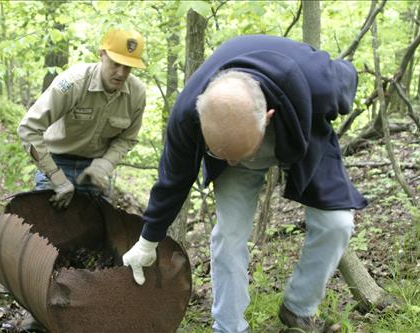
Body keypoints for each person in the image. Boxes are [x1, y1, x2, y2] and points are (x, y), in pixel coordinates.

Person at [122, 35, 368, 333]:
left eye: (241, 155)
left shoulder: (320, 81)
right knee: (228, 235)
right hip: (236, 142)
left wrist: (318, 121)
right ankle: (228, 327)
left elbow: (348, 81)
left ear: (267, 117)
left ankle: (298, 309)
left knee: (337, 223)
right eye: (221, 152)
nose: (236, 163)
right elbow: (172, 181)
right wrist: (147, 242)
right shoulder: (187, 115)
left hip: (298, 132)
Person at [18, 28, 146, 210]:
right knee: (44, 227)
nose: (120, 73)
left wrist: (104, 166)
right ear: (101, 54)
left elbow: (127, 138)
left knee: (96, 231)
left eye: (128, 67)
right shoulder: (74, 82)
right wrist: (56, 177)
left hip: (95, 167)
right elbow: (29, 129)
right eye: (115, 63)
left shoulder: (137, 93)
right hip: (56, 161)